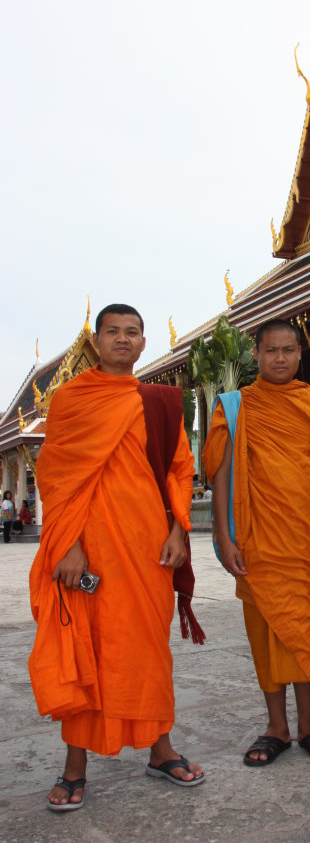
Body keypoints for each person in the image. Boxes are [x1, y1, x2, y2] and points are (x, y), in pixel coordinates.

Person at [29, 304, 205, 813]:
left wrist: (178, 528)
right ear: (98, 342)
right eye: (113, 332)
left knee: (147, 651)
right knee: (88, 653)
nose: (123, 340)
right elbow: (57, 476)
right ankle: (74, 767)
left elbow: (178, 468)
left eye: (132, 332)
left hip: (148, 546)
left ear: (144, 343)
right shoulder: (70, 401)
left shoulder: (159, 402)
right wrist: (67, 544)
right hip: (88, 551)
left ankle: (160, 750)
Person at [203, 318, 310, 767]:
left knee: (308, 630)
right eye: (271, 351)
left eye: (288, 351)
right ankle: (275, 726)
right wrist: (223, 536)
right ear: (256, 355)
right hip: (258, 543)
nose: (280, 358)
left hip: (309, 540)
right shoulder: (235, 407)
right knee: (266, 634)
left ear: (301, 355)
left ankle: (309, 723)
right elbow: (220, 475)